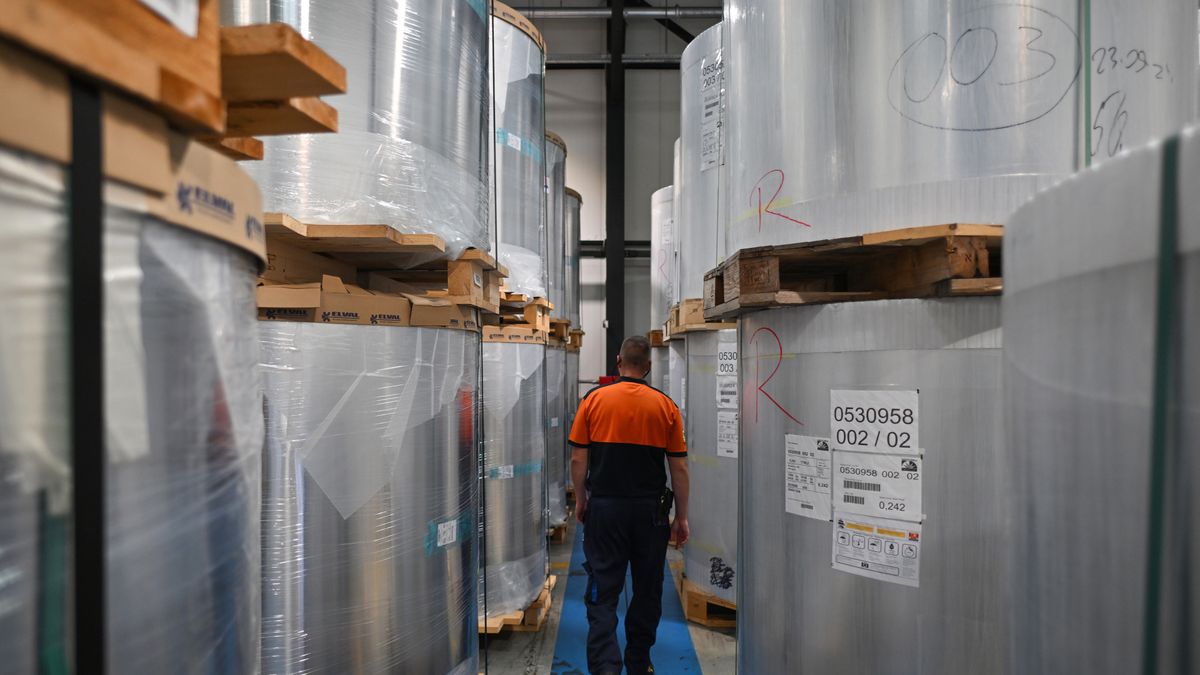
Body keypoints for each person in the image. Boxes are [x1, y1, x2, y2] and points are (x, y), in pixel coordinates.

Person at [568, 335, 690, 675]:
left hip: (605, 510)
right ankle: (639, 662)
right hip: (651, 514)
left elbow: (579, 459)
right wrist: (681, 517)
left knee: (603, 591)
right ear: (648, 367)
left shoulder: (593, 400)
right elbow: (678, 467)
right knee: (648, 589)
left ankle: (606, 668)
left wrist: (581, 499)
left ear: (618, 362)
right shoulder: (665, 406)